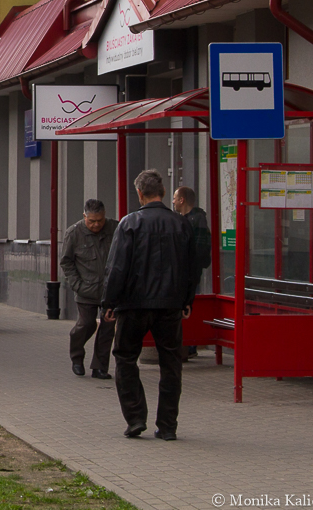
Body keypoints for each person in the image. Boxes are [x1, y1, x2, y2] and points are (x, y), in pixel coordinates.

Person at [103, 169, 196, 440]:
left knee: (125, 358)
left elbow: (116, 267)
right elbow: (193, 268)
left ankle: (135, 418)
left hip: (133, 305)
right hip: (169, 305)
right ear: (164, 193)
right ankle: (167, 425)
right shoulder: (182, 224)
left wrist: (109, 302)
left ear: (140, 194)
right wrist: (187, 300)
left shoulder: (129, 223)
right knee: (171, 363)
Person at [61, 198, 118, 379]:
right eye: (91, 221)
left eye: (99, 220)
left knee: (108, 328)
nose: (96, 225)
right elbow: (66, 262)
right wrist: (77, 284)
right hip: (86, 290)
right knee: (86, 324)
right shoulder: (74, 233)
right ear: (84, 216)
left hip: (110, 291)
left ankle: (100, 367)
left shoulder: (115, 229)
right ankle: (77, 357)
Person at [172, 186, 212, 360]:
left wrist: (190, 265)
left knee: (190, 305)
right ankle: (185, 344)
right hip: (182, 271)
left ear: (182, 200)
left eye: (175, 198)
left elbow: (201, 248)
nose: (173, 201)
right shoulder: (182, 219)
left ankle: (190, 345)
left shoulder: (197, 220)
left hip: (191, 272)